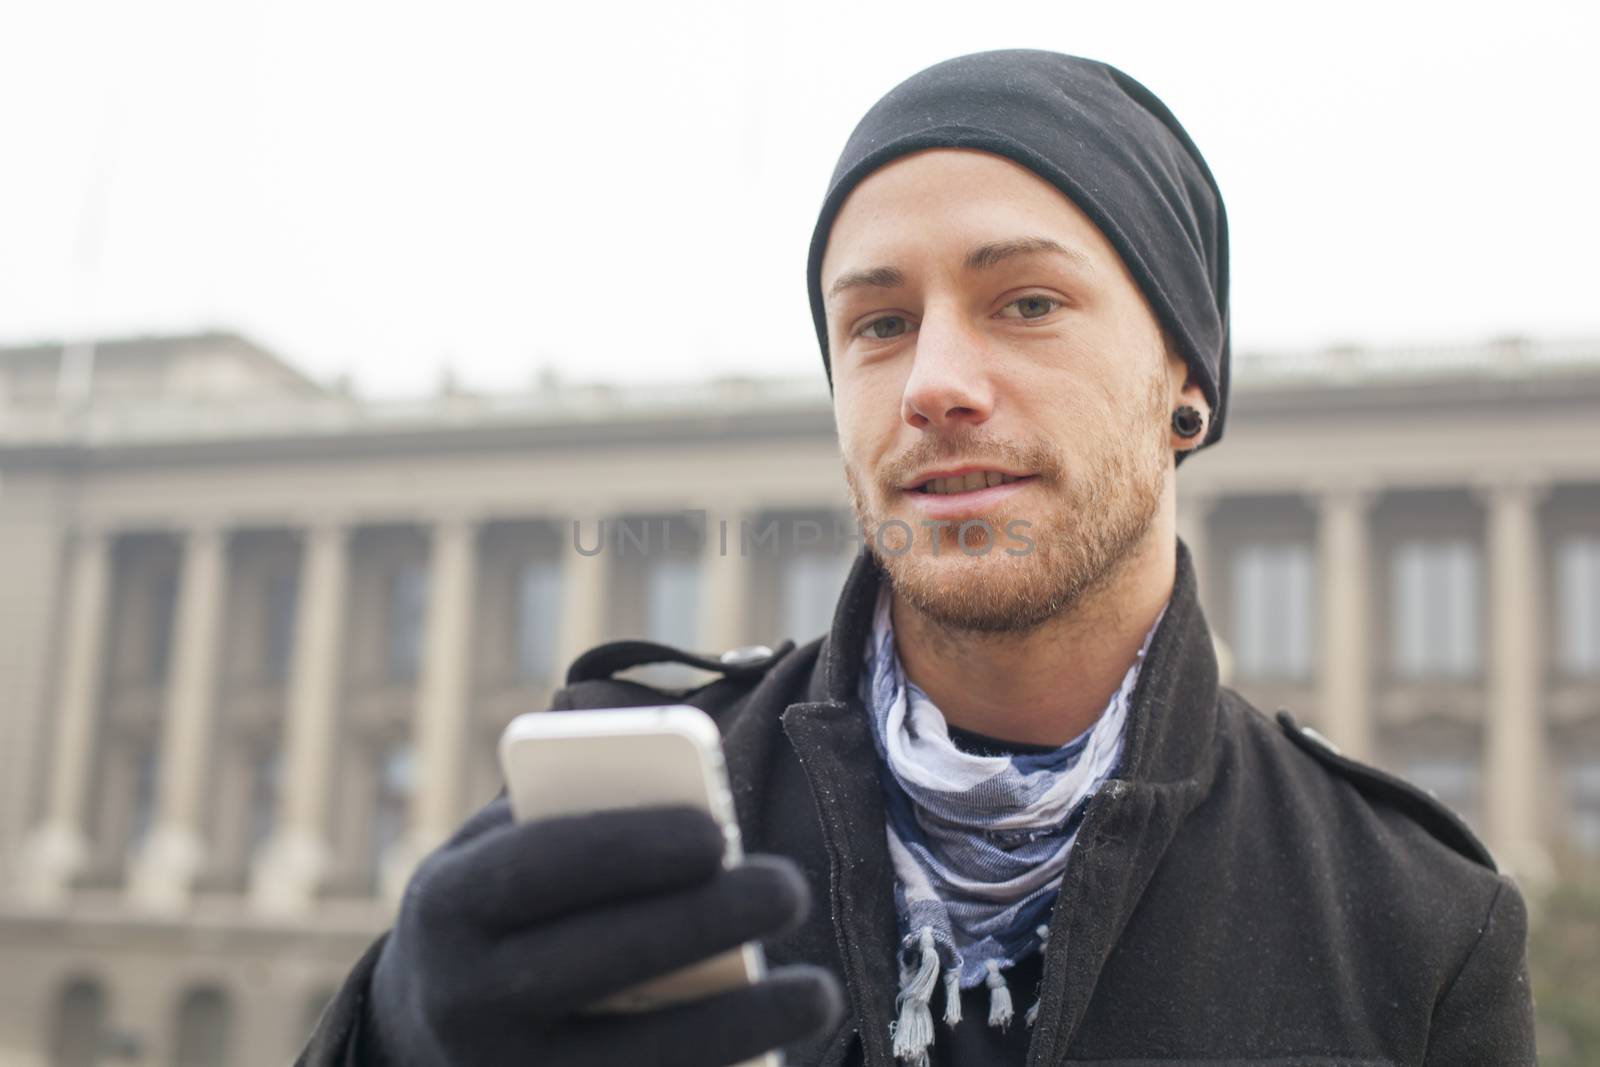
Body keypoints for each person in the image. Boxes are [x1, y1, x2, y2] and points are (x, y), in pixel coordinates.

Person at [298, 49, 1536, 1066]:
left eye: (1027, 303)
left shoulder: (1413, 921)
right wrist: (389, 1038)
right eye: (878, 323)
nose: (935, 382)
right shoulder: (629, 813)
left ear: (1186, 384)